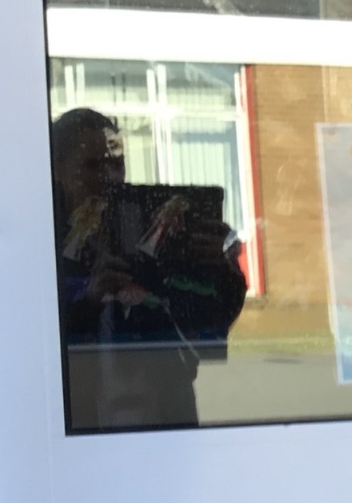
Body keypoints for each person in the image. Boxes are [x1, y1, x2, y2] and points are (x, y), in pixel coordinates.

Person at [51, 108, 247, 429]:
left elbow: (211, 322)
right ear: (58, 169)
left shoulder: (158, 225)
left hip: (168, 406)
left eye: (116, 163)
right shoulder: (45, 245)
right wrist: (88, 300)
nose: (109, 176)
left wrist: (221, 271)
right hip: (80, 414)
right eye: (92, 165)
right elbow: (34, 339)